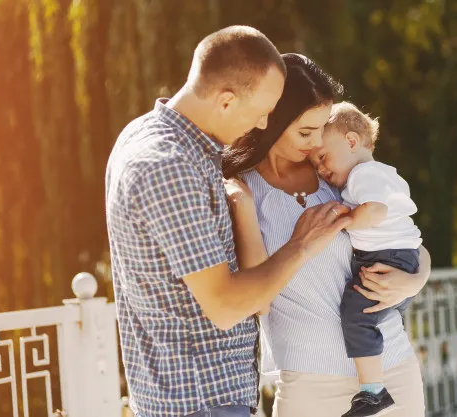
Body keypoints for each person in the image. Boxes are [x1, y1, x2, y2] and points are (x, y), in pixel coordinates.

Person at [105, 26, 351, 417]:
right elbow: (225, 305)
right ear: (225, 100)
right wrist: (302, 243)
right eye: (260, 113)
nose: (261, 125)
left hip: (206, 400)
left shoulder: (157, 137)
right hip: (199, 403)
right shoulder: (168, 166)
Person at [222, 54, 429, 417]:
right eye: (305, 132)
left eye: (321, 129)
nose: (316, 142)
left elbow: (409, 240)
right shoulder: (242, 193)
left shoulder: (338, 176)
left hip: (391, 369)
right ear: (271, 120)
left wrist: (414, 281)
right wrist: (296, 241)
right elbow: (258, 302)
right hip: (310, 385)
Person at [309, 101, 424, 416]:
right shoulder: (380, 173)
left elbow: (375, 212)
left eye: (322, 157)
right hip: (398, 256)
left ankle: (373, 391)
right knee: (370, 313)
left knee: (355, 312)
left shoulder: (363, 174)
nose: (320, 169)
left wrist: (341, 221)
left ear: (350, 141)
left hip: (385, 258)